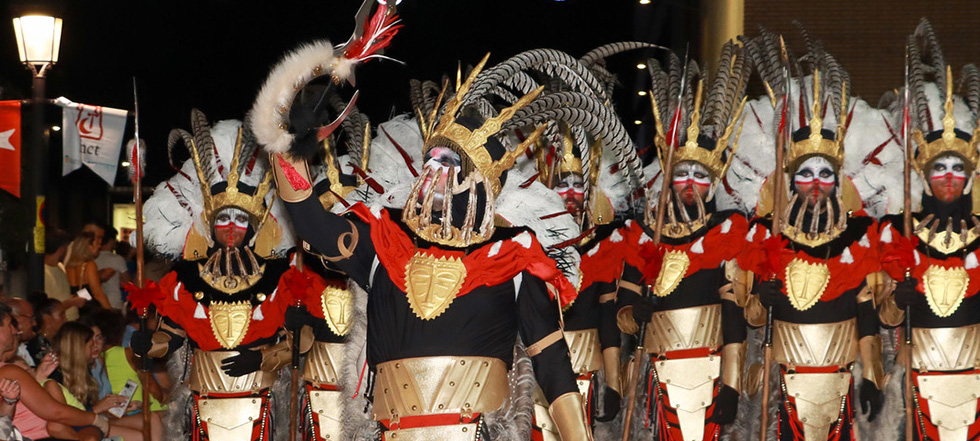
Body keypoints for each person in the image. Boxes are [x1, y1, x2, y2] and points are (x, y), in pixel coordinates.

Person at [258, 38, 593, 438]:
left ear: (480, 179)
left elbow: (554, 365)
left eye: (448, 161)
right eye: (430, 159)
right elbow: (313, 226)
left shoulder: (514, 254)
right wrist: (287, 146)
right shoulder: (382, 239)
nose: (433, 170)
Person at [738, 32, 885, 440]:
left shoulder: (859, 235)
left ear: (838, 181)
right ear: (790, 181)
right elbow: (749, 317)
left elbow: (868, 311)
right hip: (782, 379)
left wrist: (872, 374)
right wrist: (757, 300)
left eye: (825, 173)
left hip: (842, 380)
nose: (815, 183)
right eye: (805, 173)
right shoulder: (765, 236)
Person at [129, 112, 303, 441]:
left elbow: (301, 341)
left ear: (254, 227)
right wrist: (148, 345)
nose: (232, 228)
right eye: (224, 219)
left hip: (262, 401)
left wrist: (263, 357)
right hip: (203, 401)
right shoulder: (183, 278)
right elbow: (171, 337)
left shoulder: (284, 275)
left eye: (241, 220)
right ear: (210, 225)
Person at [615, 43, 751, 441]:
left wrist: (732, 383)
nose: (690, 184)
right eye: (683, 175)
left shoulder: (727, 231)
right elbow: (623, 308)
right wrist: (633, 313)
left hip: (711, 370)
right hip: (658, 372)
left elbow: (734, 318)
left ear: (713, 183)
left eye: (700, 176)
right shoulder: (643, 232)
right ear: (669, 178)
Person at [876, 19, 980, 441]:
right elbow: (881, 312)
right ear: (924, 174)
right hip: (917, 371)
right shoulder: (900, 233)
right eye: (940, 167)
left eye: (959, 167)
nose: (950, 177)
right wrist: (897, 302)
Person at [0, 303, 109, 439]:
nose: (15, 331)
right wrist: (96, 419)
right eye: (10, 325)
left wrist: (38, 377)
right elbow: (55, 412)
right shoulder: (9, 371)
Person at [44, 322, 143, 440]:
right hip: (77, 429)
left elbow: (91, 410)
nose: (94, 349)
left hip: (93, 423)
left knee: (145, 429)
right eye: (91, 346)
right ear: (78, 349)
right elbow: (63, 420)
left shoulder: (84, 371)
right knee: (139, 436)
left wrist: (116, 408)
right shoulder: (55, 377)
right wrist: (99, 408)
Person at [63, 233, 112, 311]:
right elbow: (97, 293)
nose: (99, 246)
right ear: (88, 246)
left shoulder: (67, 266)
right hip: (90, 311)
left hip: (75, 310)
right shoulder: (89, 265)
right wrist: (111, 312)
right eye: (97, 244)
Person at [44, 229, 82, 321]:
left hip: (72, 319)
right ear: (61, 250)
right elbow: (48, 308)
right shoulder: (44, 273)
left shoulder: (60, 267)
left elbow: (63, 294)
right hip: (60, 323)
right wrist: (72, 302)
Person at [94, 226, 130, 310]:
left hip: (96, 304)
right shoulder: (117, 259)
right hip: (114, 303)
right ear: (111, 241)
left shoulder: (91, 259)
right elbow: (127, 283)